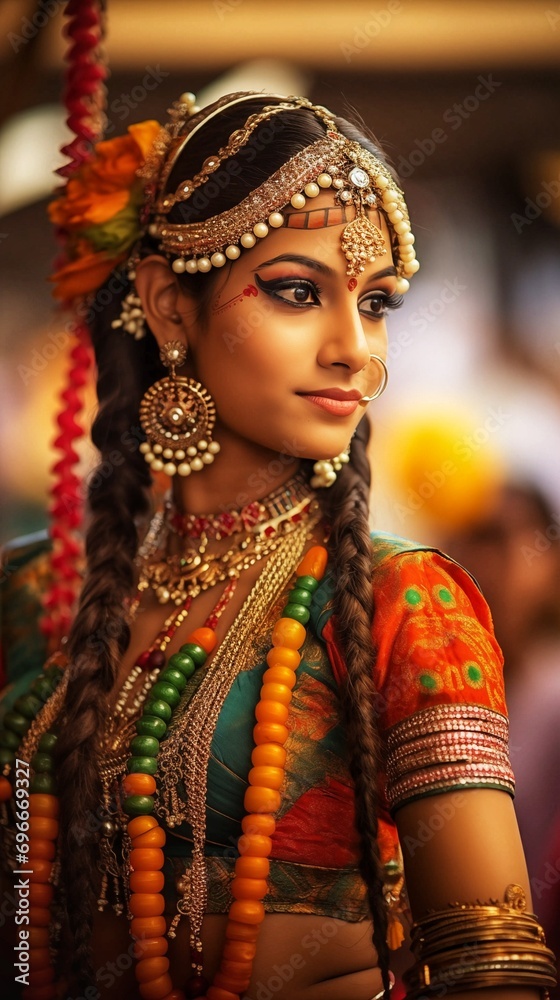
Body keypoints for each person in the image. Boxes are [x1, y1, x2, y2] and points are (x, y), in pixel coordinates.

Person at [0, 90, 556, 1000]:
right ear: (170, 309)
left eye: (376, 304)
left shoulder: (405, 601)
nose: (356, 350)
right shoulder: (30, 598)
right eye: (299, 293)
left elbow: (489, 964)